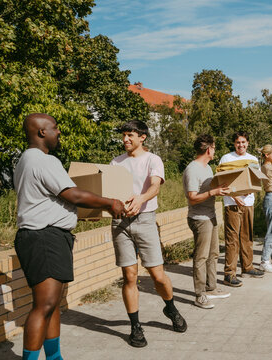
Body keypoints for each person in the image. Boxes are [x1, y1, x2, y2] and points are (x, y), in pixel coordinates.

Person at [14, 113, 125, 360]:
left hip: (44, 237)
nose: (59, 132)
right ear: (42, 132)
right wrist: (110, 203)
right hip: (44, 238)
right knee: (43, 306)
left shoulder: (24, 160)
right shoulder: (44, 160)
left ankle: (54, 357)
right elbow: (72, 195)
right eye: (55, 128)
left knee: (52, 305)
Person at [110, 120, 186, 348]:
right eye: (123, 135)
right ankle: (135, 326)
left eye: (130, 135)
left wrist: (141, 198)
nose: (125, 139)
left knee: (157, 276)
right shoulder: (116, 162)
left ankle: (170, 307)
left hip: (145, 221)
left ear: (142, 137)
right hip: (120, 223)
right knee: (129, 277)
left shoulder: (153, 160)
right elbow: (108, 192)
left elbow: (155, 186)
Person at [183, 134, 231, 309]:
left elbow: (212, 189)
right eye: (214, 147)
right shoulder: (193, 169)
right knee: (201, 257)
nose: (215, 151)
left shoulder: (208, 168)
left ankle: (211, 288)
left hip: (210, 216)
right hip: (199, 219)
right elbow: (192, 197)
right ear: (209, 149)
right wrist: (213, 193)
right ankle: (200, 294)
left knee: (213, 254)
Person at [218, 131, 264, 287]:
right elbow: (222, 181)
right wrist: (235, 196)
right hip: (232, 203)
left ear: (248, 143)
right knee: (232, 240)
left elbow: (256, 181)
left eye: (243, 142)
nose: (241, 145)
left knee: (247, 236)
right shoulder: (226, 158)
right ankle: (229, 274)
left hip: (248, 203)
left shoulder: (252, 159)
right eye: (238, 142)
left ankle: (247, 267)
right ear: (234, 143)